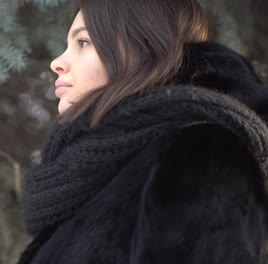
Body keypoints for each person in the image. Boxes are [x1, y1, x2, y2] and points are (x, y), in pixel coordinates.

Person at [18, 0, 268, 263]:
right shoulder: (91, 183)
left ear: (144, 51)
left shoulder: (205, 156)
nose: (57, 62)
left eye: (83, 43)